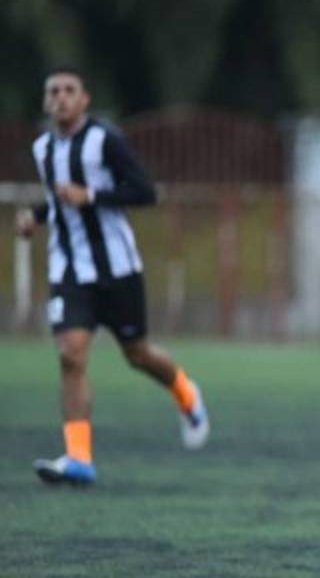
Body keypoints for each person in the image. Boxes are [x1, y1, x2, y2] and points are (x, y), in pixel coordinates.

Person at [14, 67, 209, 486]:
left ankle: (185, 392)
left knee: (137, 354)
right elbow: (58, 201)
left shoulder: (105, 141)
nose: (60, 98)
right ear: (46, 102)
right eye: (53, 91)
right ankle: (79, 458)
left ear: (84, 99)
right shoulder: (43, 148)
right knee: (70, 355)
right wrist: (35, 216)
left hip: (118, 269)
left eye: (69, 90)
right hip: (69, 270)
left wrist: (91, 195)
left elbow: (145, 191)